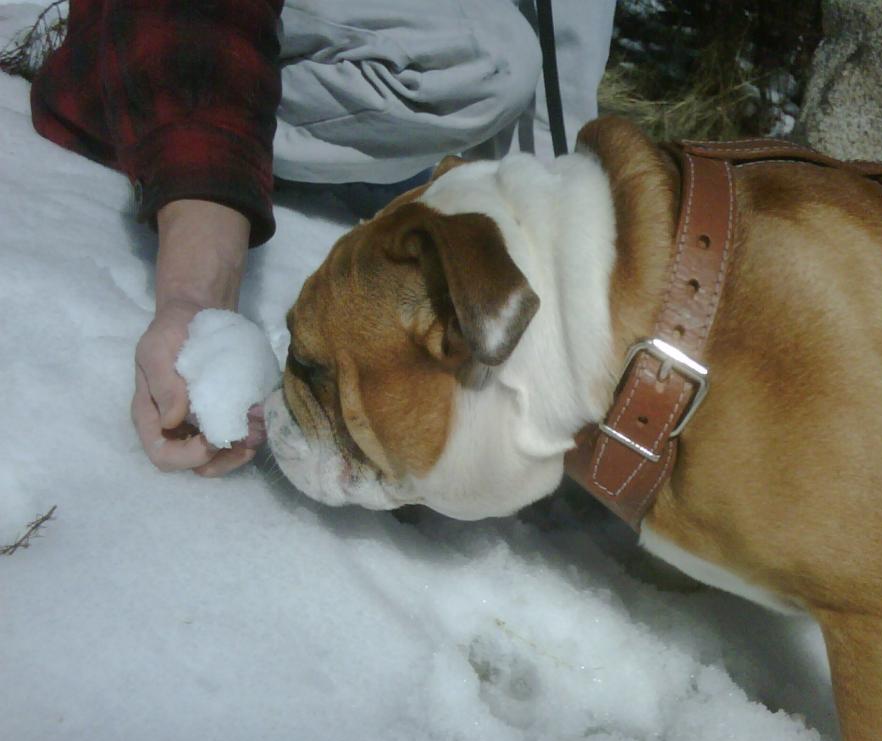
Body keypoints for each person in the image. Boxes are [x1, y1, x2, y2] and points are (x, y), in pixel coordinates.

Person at [25, 0, 616, 477]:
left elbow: (560, 51)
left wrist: (555, 292)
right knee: (486, 61)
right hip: (170, 26)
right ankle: (156, 98)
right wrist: (199, 299)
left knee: (502, 56)